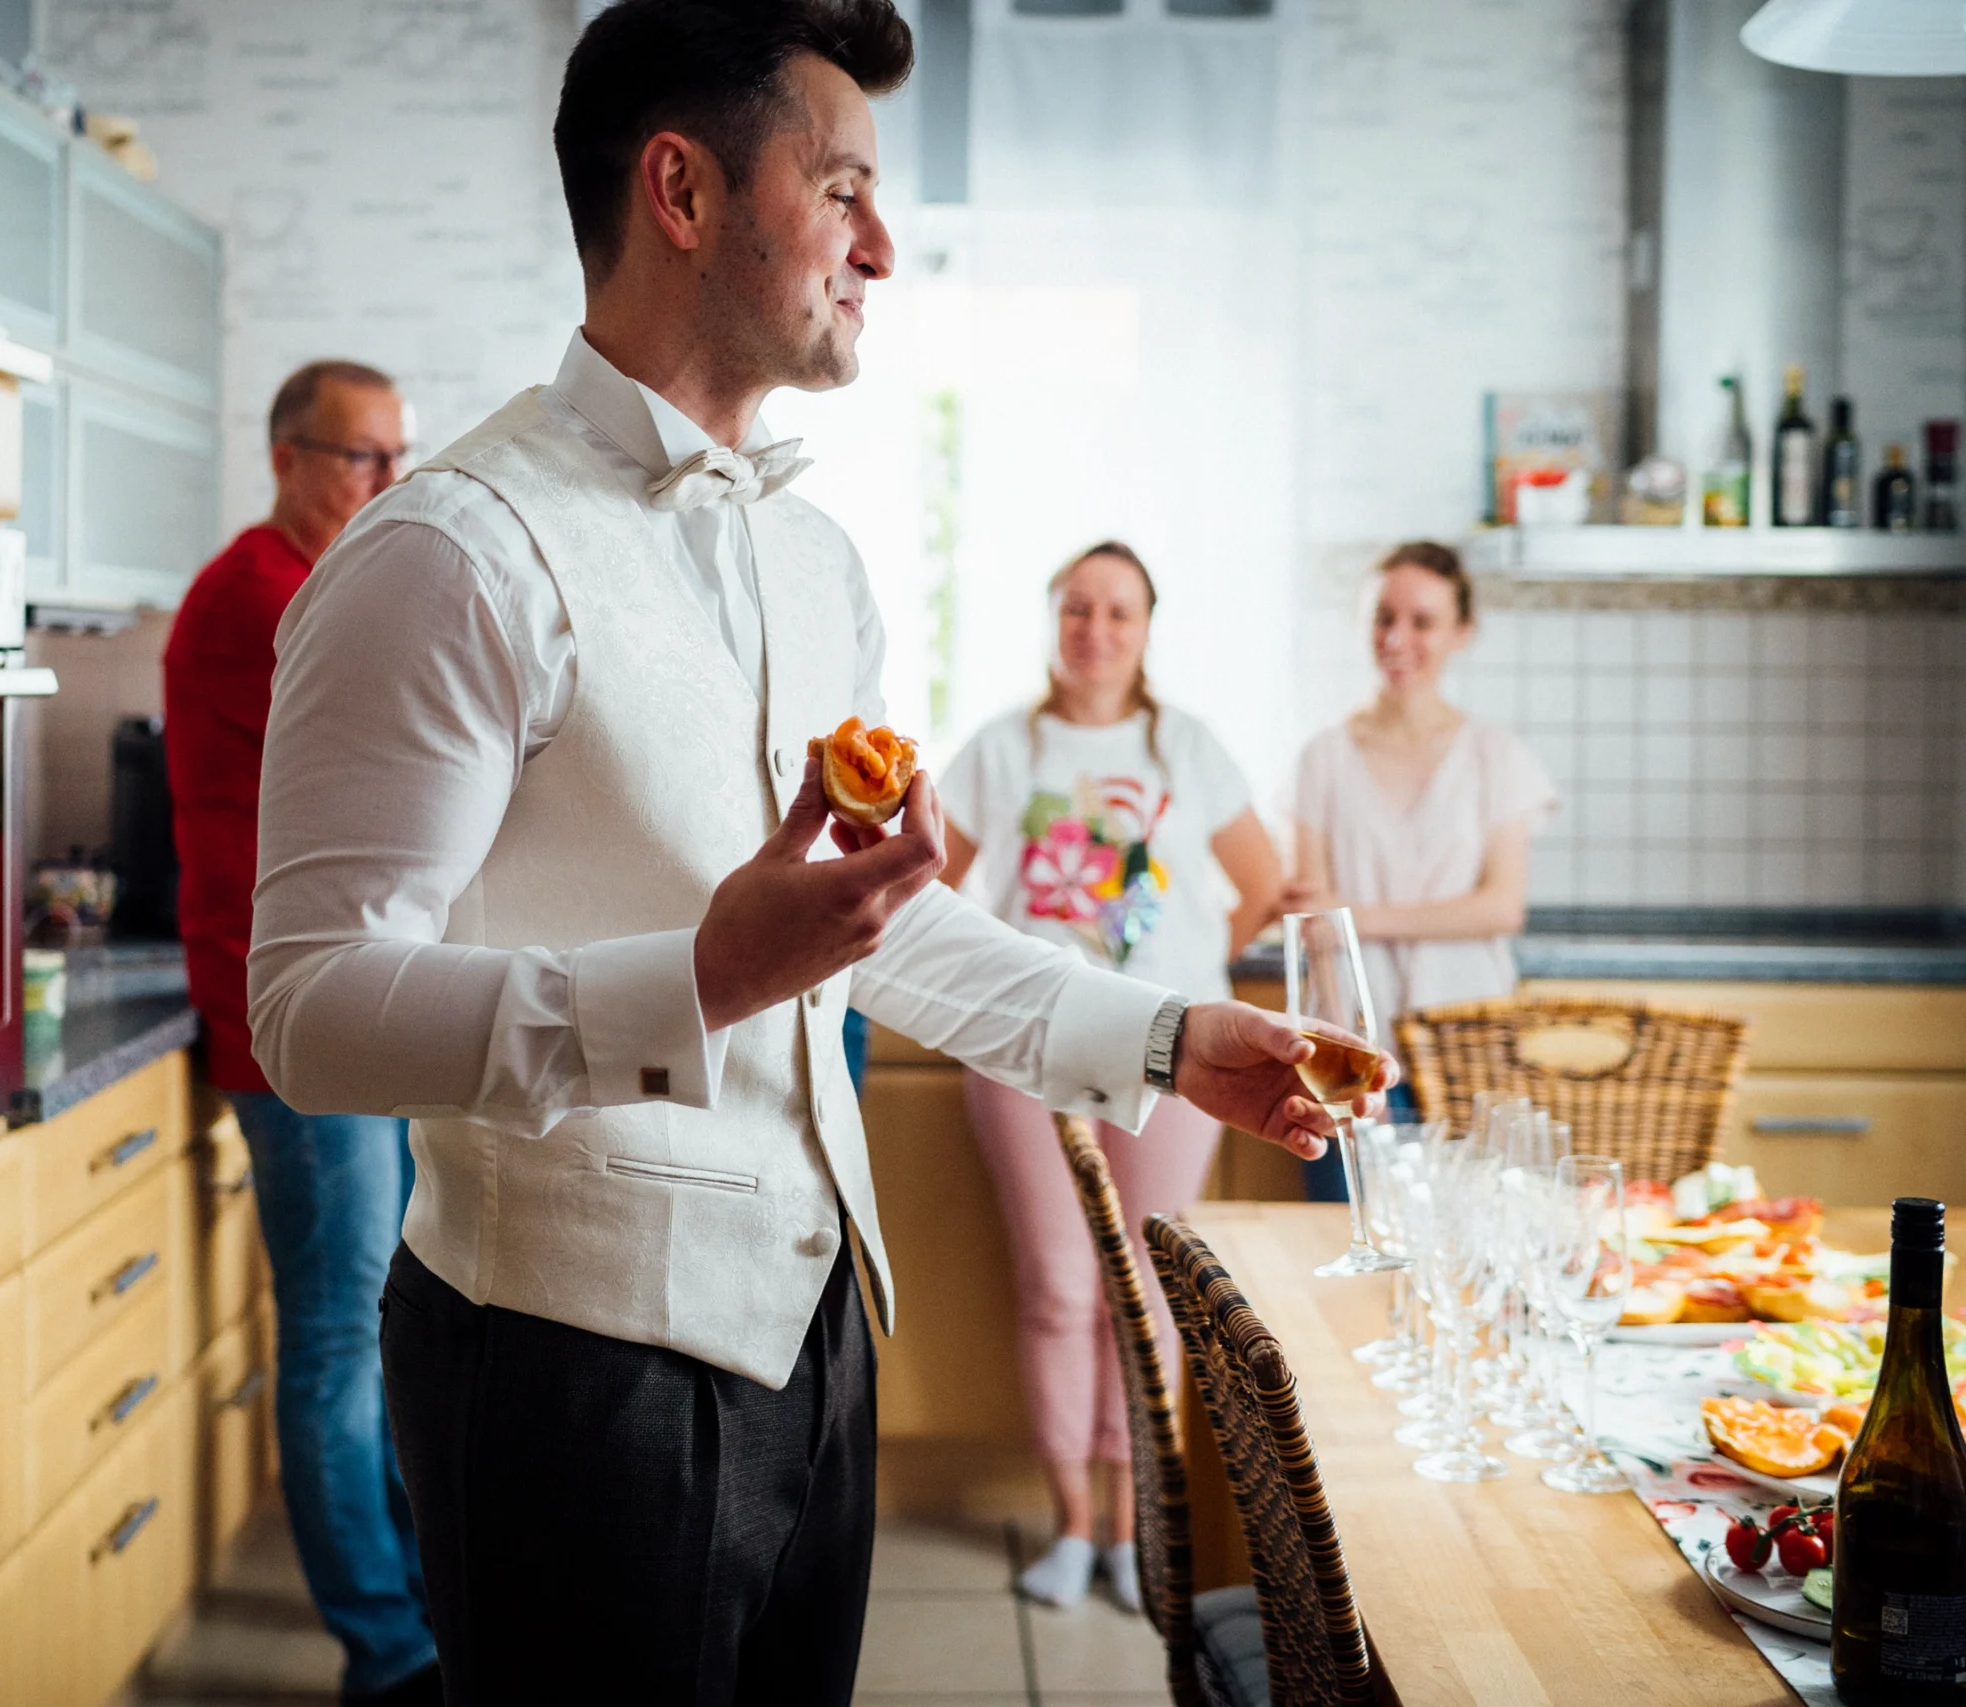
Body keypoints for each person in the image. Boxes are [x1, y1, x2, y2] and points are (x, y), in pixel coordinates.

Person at [245, 5, 1375, 1699]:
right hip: (566, 1367)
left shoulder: (815, 559)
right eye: (840, 187)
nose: (884, 246)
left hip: (824, 1335)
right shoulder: (445, 558)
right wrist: (701, 975)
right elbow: (313, 1013)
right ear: (682, 190)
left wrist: (1162, 1037)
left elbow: (877, 925)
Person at [162, 360, 440, 1707]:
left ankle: (415, 1616)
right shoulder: (265, 598)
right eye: (362, 459)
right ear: (286, 456)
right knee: (338, 1337)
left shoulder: (306, 583)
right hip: (295, 1028)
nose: (387, 481)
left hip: (343, 1013)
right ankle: (389, 1655)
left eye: (397, 456)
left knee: (371, 1330)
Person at [938, 541, 1281, 1611]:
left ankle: (1138, 1535)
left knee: (1148, 1297)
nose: (1095, 629)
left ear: (1145, 628)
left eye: (1118, 612)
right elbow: (932, 894)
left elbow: (1261, 886)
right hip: (1023, 1050)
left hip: (1171, 1052)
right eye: (1076, 608)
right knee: (1056, 1288)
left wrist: (1173, 958)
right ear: (1053, 619)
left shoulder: (1187, 747)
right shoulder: (1001, 747)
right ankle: (1069, 1530)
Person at [1283, 539, 1555, 1193]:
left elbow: (1501, 905)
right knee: (1351, 1250)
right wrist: (1337, 1029)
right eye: (1383, 616)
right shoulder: (1321, 757)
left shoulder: (1498, 757)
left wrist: (1354, 915)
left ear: (1462, 632)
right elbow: (1310, 921)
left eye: (1422, 621)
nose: (1397, 637)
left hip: (1465, 1049)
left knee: (1465, 1255)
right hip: (1346, 1057)